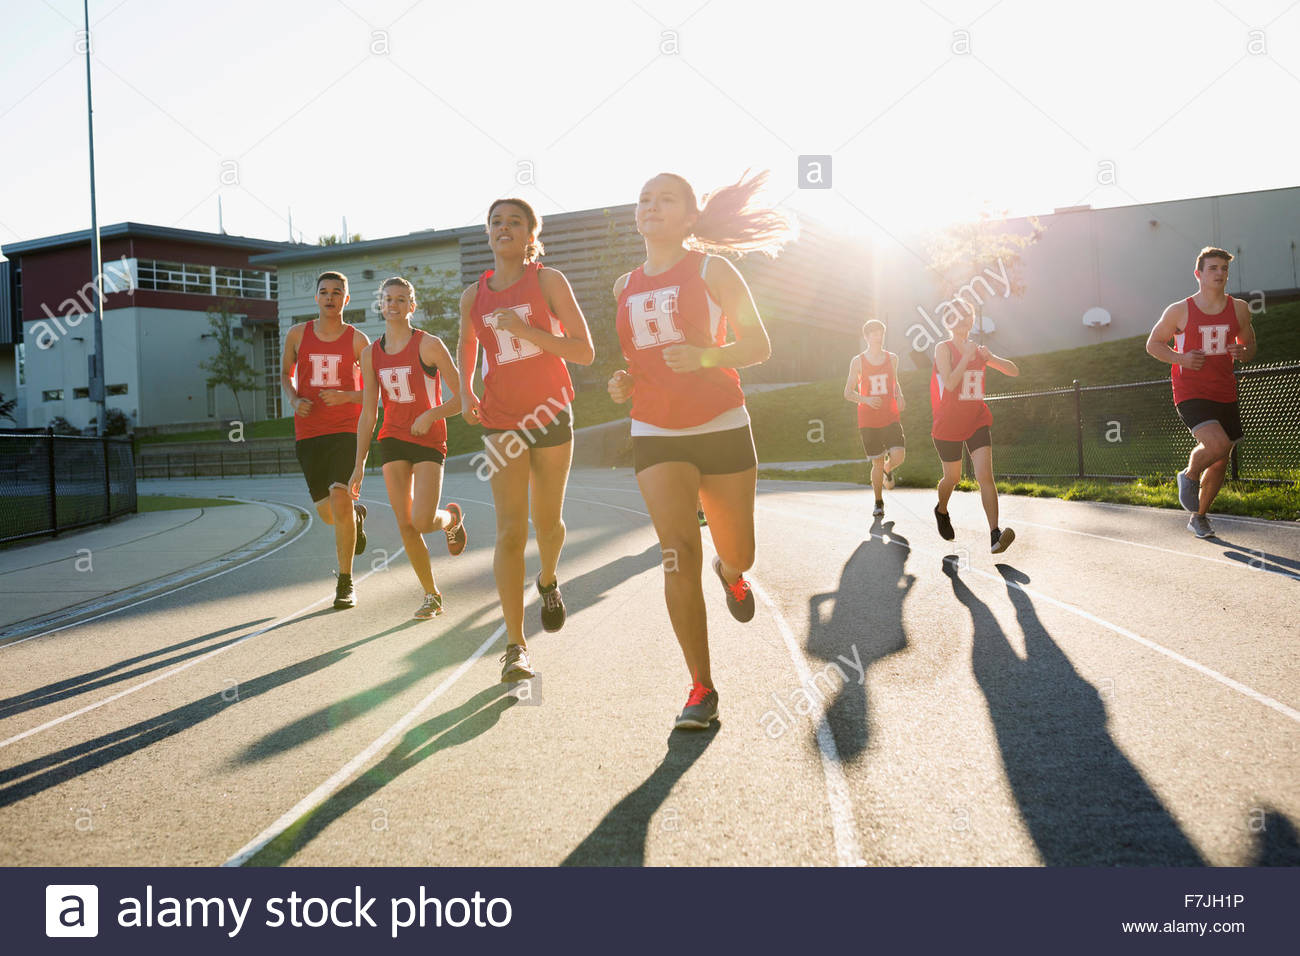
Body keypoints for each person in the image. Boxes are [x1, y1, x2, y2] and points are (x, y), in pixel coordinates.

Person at [607, 170, 793, 730]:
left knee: (740, 551)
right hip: (655, 432)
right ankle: (701, 688)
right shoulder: (623, 287)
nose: (651, 207)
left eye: (666, 200)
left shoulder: (714, 269)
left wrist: (706, 358)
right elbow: (642, 361)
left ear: (690, 217)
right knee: (676, 554)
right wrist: (625, 382)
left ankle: (731, 572)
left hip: (720, 424)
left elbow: (759, 344)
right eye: (644, 199)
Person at [458, 198, 595, 682]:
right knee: (511, 531)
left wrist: (528, 332)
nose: (504, 228)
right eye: (496, 221)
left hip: (551, 411)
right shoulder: (473, 296)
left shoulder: (548, 281)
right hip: (501, 419)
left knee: (549, 524)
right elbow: (467, 344)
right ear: (488, 233)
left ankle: (549, 578)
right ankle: (516, 647)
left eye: (514, 222)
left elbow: (585, 351)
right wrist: (465, 388)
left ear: (530, 235)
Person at [349, 277, 467, 620]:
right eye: (388, 299)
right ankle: (432, 594)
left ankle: (451, 519)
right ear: (381, 305)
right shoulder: (371, 354)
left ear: (411, 306)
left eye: (401, 299)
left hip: (429, 438)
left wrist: (431, 414)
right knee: (406, 524)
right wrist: (358, 464)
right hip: (393, 439)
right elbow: (369, 411)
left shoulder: (429, 345)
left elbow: (462, 398)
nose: (394, 305)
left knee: (424, 519)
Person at [1145, 246, 1256, 537]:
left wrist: (1242, 352)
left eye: (1224, 268)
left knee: (1220, 458)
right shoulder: (1180, 310)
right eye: (1213, 268)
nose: (1220, 273)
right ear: (1199, 274)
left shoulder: (1240, 308)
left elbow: (1250, 347)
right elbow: (1153, 344)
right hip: (1190, 390)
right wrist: (1180, 358)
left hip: (1225, 390)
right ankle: (1190, 475)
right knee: (1217, 444)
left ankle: (1199, 516)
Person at [280, 271, 370, 610]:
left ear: (346, 299)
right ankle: (355, 518)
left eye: (337, 292)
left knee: (339, 495)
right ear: (316, 298)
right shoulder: (296, 336)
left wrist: (347, 397)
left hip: (346, 431)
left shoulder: (359, 341)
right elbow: (286, 375)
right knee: (329, 514)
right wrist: (293, 399)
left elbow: (374, 393)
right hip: (309, 433)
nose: (330, 297)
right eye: (324, 292)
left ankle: (345, 582)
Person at [930, 310, 1019, 553]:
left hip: (976, 420)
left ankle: (995, 534)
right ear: (950, 322)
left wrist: (992, 358)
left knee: (985, 477)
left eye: (968, 317)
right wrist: (965, 356)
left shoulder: (978, 351)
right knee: (953, 478)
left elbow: (1013, 371)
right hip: (948, 423)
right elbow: (949, 383)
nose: (964, 322)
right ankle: (941, 510)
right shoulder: (944, 348)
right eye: (958, 318)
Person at [844, 318, 906, 518]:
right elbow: (848, 392)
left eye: (880, 332)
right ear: (866, 337)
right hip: (869, 419)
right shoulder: (858, 361)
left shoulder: (892, 358)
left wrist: (900, 395)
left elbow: (894, 382)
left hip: (890, 415)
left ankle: (889, 469)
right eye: (873, 333)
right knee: (876, 462)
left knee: (899, 455)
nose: (877, 336)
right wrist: (866, 399)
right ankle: (878, 502)